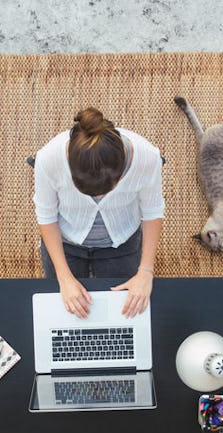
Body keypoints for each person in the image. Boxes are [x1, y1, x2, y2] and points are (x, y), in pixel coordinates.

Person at [33, 107, 164, 319]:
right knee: (66, 311)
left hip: (122, 241)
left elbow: (152, 211)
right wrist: (64, 277)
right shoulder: (48, 159)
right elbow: (46, 216)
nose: (101, 199)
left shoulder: (147, 157)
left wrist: (146, 272)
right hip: (66, 242)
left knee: (121, 313)